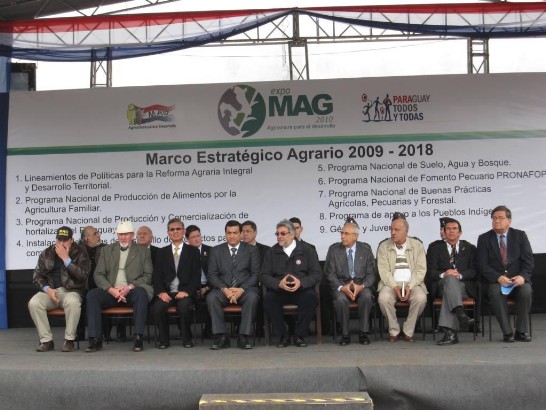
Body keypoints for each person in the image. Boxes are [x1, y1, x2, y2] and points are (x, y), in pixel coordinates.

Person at [85, 220, 153, 352]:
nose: (123, 237)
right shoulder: (106, 250)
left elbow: (148, 276)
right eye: (120, 234)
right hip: (111, 291)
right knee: (92, 295)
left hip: (131, 290)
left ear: (132, 235)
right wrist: (111, 289)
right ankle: (95, 339)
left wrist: (129, 287)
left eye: (126, 234)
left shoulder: (143, 251)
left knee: (141, 293)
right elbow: (98, 274)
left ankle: (138, 337)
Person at [261, 219, 322, 348]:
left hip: (301, 290)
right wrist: (278, 283)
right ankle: (283, 335)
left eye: (283, 233)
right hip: (280, 290)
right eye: (277, 234)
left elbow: (317, 274)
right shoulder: (271, 252)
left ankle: (299, 335)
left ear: (293, 234)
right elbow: (264, 275)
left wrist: (301, 283)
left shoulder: (307, 250)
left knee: (311, 299)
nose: (279, 236)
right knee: (269, 300)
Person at [28, 226, 90, 352]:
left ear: (71, 240)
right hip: (51, 291)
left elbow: (82, 276)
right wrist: (47, 289)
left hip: (71, 291)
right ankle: (46, 340)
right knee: (34, 302)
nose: (61, 243)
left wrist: (66, 259)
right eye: (59, 240)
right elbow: (37, 276)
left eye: (65, 240)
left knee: (73, 302)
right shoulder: (46, 253)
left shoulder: (80, 252)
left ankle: (69, 340)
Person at [477, 205, 534, 342]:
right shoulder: (484, 238)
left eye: (501, 218)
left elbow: (528, 261)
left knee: (526, 290)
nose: (497, 221)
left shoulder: (520, 236)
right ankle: (507, 332)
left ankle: (521, 331)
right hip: (496, 281)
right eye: (494, 218)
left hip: (517, 281)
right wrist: (498, 277)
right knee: (495, 293)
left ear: (509, 220)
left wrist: (523, 276)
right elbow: (482, 265)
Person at [206, 220, 261, 350]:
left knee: (252, 297)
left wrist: (241, 289)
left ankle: (243, 336)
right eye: (229, 233)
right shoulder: (216, 250)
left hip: (245, 290)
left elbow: (255, 274)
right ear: (225, 234)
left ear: (241, 234)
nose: (231, 236)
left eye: (235, 233)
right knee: (211, 297)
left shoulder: (252, 250)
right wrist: (225, 289)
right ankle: (221, 337)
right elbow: (212, 275)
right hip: (223, 290)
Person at [151, 218, 201, 348]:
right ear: (168, 233)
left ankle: (187, 339)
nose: (175, 231)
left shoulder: (193, 251)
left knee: (184, 307)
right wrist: (161, 292)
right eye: (172, 229)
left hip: (185, 292)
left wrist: (187, 292)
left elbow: (196, 277)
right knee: (158, 307)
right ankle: (163, 340)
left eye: (178, 229)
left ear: (183, 231)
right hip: (167, 292)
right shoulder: (161, 252)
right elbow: (157, 276)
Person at [325, 218, 376, 346]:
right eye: (342, 233)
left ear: (355, 236)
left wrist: (361, 286)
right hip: (342, 286)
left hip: (361, 285)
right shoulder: (334, 250)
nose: (342, 236)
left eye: (346, 234)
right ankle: (345, 334)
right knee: (340, 299)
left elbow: (371, 274)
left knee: (367, 296)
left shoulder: (365, 249)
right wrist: (342, 287)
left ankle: (363, 332)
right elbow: (330, 274)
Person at [426, 218, 477, 345]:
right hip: (441, 285)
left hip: (463, 287)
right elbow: (430, 272)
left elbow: (475, 270)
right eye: (448, 229)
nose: (451, 231)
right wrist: (445, 274)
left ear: (460, 232)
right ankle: (461, 314)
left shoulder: (470, 248)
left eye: (454, 229)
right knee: (449, 280)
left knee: (450, 290)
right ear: (444, 232)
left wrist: (460, 275)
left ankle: (451, 333)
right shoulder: (435, 249)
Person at [377, 217, 427, 342]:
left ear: (406, 232)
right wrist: (395, 287)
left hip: (413, 284)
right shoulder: (384, 246)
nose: (393, 232)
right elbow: (384, 271)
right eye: (391, 229)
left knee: (420, 298)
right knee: (383, 298)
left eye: (397, 230)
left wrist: (410, 286)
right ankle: (394, 330)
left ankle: (408, 330)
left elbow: (420, 270)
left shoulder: (417, 245)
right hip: (390, 284)